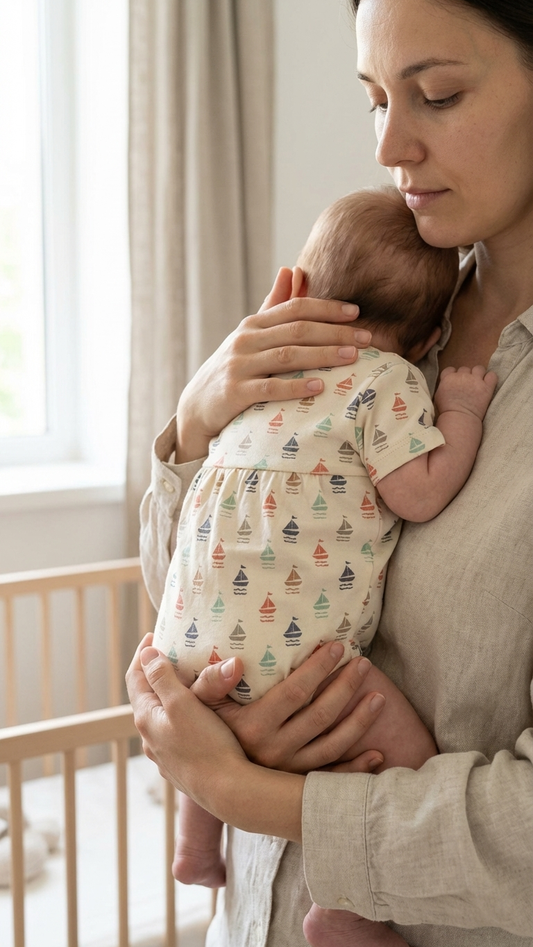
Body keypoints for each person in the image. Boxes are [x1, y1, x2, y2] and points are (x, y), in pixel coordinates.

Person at [126, 1, 533, 945]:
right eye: (372, 100)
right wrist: (193, 424)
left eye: (437, 95)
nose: (391, 144)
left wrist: (246, 791)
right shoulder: (358, 318)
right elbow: (199, 582)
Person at [152, 185, 497, 947]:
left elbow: (187, 539)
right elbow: (417, 492)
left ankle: (195, 839)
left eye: (439, 94)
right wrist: (461, 414)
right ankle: (346, 905)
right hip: (296, 658)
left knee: (207, 712)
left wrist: (196, 419)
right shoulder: (387, 383)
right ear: (428, 335)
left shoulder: (260, 386)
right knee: (386, 733)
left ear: (296, 288)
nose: (391, 142)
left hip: (188, 646)